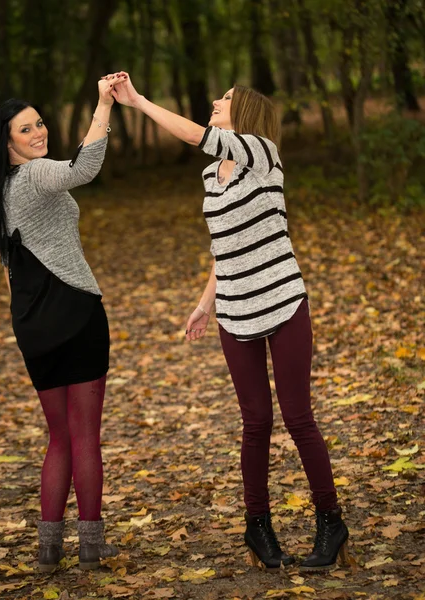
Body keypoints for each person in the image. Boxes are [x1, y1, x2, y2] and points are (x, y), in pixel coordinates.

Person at [110, 72, 349, 572]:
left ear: (247, 115)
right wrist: (205, 302)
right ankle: (257, 526)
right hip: (235, 308)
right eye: (217, 95)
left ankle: (331, 520)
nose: (216, 101)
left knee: (298, 418)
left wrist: (138, 101)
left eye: (226, 99)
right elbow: (225, 246)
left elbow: (196, 135)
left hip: (283, 302)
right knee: (255, 421)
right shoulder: (209, 175)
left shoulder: (262, 154)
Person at [0, 74, 126, 572]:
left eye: (40, 123)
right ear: (8, 142)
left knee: (58, 436)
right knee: (85, 436)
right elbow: (84, 167)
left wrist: (25, 324)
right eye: (27, 129)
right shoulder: (36, 175)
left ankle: (48, 549)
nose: (39, 132)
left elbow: (9, 271)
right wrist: (104, 104)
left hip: (35, 329)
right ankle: (90, 543)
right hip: (77, 313)